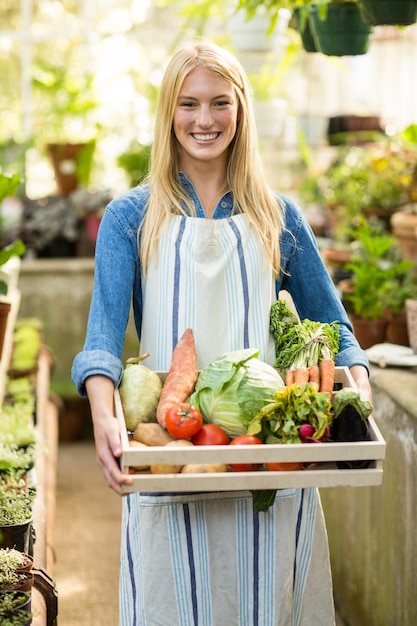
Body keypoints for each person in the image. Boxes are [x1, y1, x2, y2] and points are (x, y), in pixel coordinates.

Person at [72, 39, 372, 626]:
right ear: (168, 114)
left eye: (219, 103)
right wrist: (106, 417)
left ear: (240, 110)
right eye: (188, 104)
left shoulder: (277, 216)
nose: (204, 120)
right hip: (173, 455)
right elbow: (102, 340)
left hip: (269, 463)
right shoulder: (130, 218)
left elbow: (337, 329)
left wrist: (355, 386)